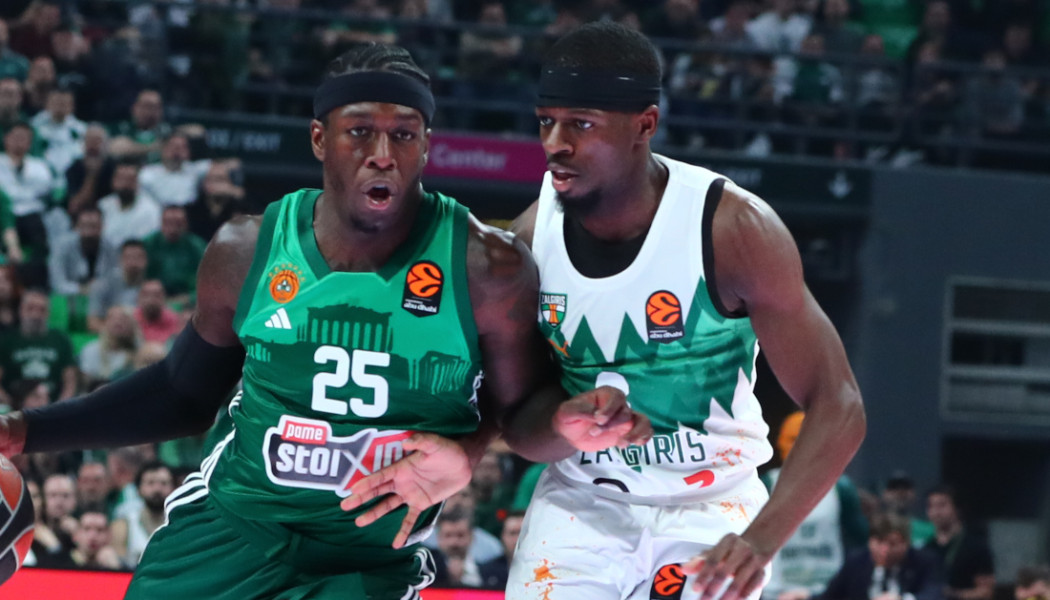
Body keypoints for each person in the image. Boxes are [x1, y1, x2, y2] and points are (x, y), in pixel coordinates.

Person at [0, 43, 648, 599]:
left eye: (404, 135)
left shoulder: (487, 267)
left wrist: (549, 429)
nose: (382, 154)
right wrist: (24, 431)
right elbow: (182, 392)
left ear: (427, 146)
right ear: (319, 139)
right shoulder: (246, 251)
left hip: (364, 560)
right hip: (227, 532)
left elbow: (522, 410)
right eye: (359, 131)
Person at [351, 22, 865, 600]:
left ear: (645, 124)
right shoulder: (528, 241)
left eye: (581, 123)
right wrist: (527, 434)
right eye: (546, 121)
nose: (555, 142)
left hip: (712, 503)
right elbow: (518, 416)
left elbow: (839, 403)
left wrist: (762, 540)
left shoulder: (732, 229)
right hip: (584, 500)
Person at [763, 411, 869, 600]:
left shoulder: (840, 488)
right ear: (780, 442)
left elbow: (862, 543)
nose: (799, 447)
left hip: (827, 592)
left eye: (806, 439)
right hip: (776, 592)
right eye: (793, 439)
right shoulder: (766, 485)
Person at [819, 512, 942, 600]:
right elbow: (830, 595)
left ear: (906, 543)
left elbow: (934, 593)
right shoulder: (856, 562)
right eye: (879, 542)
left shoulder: (924, 561)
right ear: (870, 541)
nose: (885, 550)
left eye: (892, 544)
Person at [924, 485, 995, 600]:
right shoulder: (927, 547)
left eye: (942, 505)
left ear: (957, 508)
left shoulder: (976, 546)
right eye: (931, 506)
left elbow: (986, 592)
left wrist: (952, 594)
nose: (936, 512)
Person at [110, 460, 174, 567]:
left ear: (173, 489)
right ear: (139, 489)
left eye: (163, 483)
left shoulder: (179, 523)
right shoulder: (123, 524)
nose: (157, 489)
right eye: (150, 483)